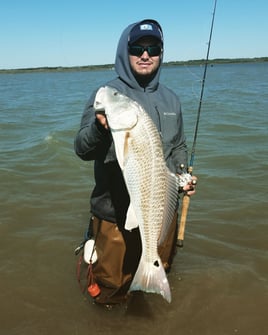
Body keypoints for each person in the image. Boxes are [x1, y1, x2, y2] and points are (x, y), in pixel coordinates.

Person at [74, 19, 196, 304]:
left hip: (159, 210)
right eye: (137, 48)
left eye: (153, 48)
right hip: (113, 214)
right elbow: (81, 149)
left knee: (156, 270)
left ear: (161, 53)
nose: (145, 55)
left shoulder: (171, 100)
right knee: (111, 287)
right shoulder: (107, 94)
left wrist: (183, 175)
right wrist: (100, 129)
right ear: (124, 51)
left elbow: (178, 145)